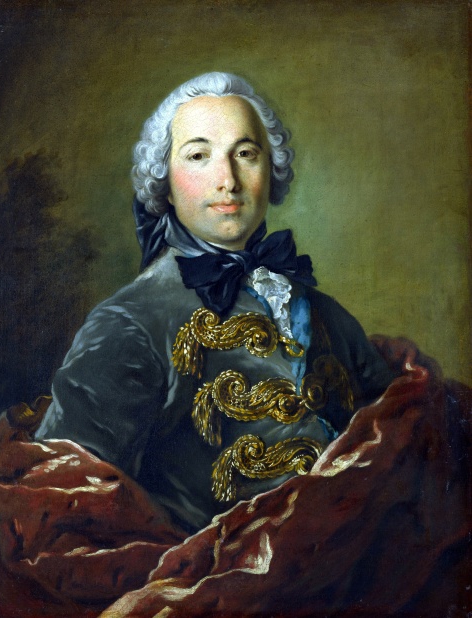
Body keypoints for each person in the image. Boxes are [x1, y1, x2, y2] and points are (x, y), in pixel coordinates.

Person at [34, 72, 395, 534]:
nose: (228, 180)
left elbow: (393, 440)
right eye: (199, 156)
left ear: (271, 170)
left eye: (245, 154)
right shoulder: (128, 322)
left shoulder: (325, 313)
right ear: (164, 183)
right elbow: (65, 500)